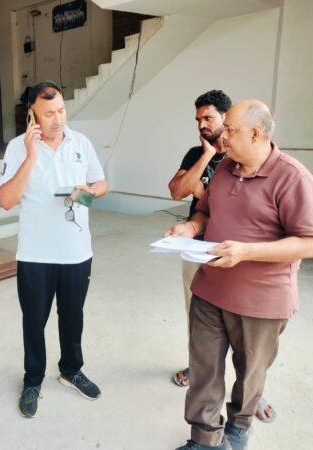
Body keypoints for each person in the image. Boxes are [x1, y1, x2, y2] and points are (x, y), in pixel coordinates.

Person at [165, 100, 313, 450]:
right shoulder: (223, 167)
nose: (224, 136)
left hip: (260, 302)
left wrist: (246, 252)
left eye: (230, 130)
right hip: (209, 290)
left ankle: (237, 431)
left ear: (256, 134)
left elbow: (309, 241)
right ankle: (205, 440)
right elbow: (205, 212)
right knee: (203, 370)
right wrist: (190, 227)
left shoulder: (292, 177)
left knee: (249, 376)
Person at [0, 81, 108, 418]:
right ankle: (32, 380)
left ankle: (71, 370)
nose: (58, 119)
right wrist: (31, 155)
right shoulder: (17, 148)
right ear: (31, 115)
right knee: (34, 322)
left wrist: (87, 192)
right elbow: (6, 200)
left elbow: (101, 184)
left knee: (73, 318)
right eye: (48, 114)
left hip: (76, 252)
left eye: (61, 110)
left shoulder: (80, 142)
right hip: (35, 255)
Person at [168, 90, 276, 423]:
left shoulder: (247, 156)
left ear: (228, 119)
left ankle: (252, 392)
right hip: (198, 248)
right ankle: (198, 366)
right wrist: (205, 156)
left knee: (248, 334)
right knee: (199, 318)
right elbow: (178, 190)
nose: (202, 124)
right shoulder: (198, 154)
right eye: (198, 119)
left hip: (241, 256)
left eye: (209, 118)